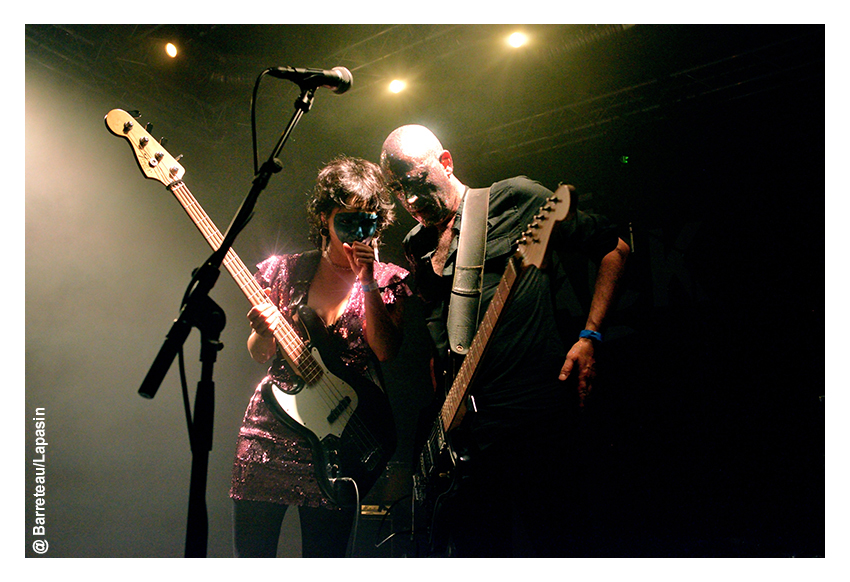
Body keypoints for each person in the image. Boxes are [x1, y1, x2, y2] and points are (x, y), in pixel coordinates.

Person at [380, 125, 630, 557]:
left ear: (446, 162)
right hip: (465, 438)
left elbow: (615, 247)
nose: (413, 201)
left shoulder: (516, 198)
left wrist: (590, 336)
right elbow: (442, 338)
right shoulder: (415, 244)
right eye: (400, 190)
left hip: (535, 418)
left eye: (419, 182)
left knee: (561, 545)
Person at [229, 156, 410, 558]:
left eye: (370, 222)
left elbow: (385, 349)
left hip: (340, 437)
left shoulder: (388, 279)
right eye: (348, 221)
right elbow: (261, 356)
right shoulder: (284, 271)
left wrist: (367, 282)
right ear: (324, 218)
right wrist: (262, 333)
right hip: (271, 430)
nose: (359, 234)